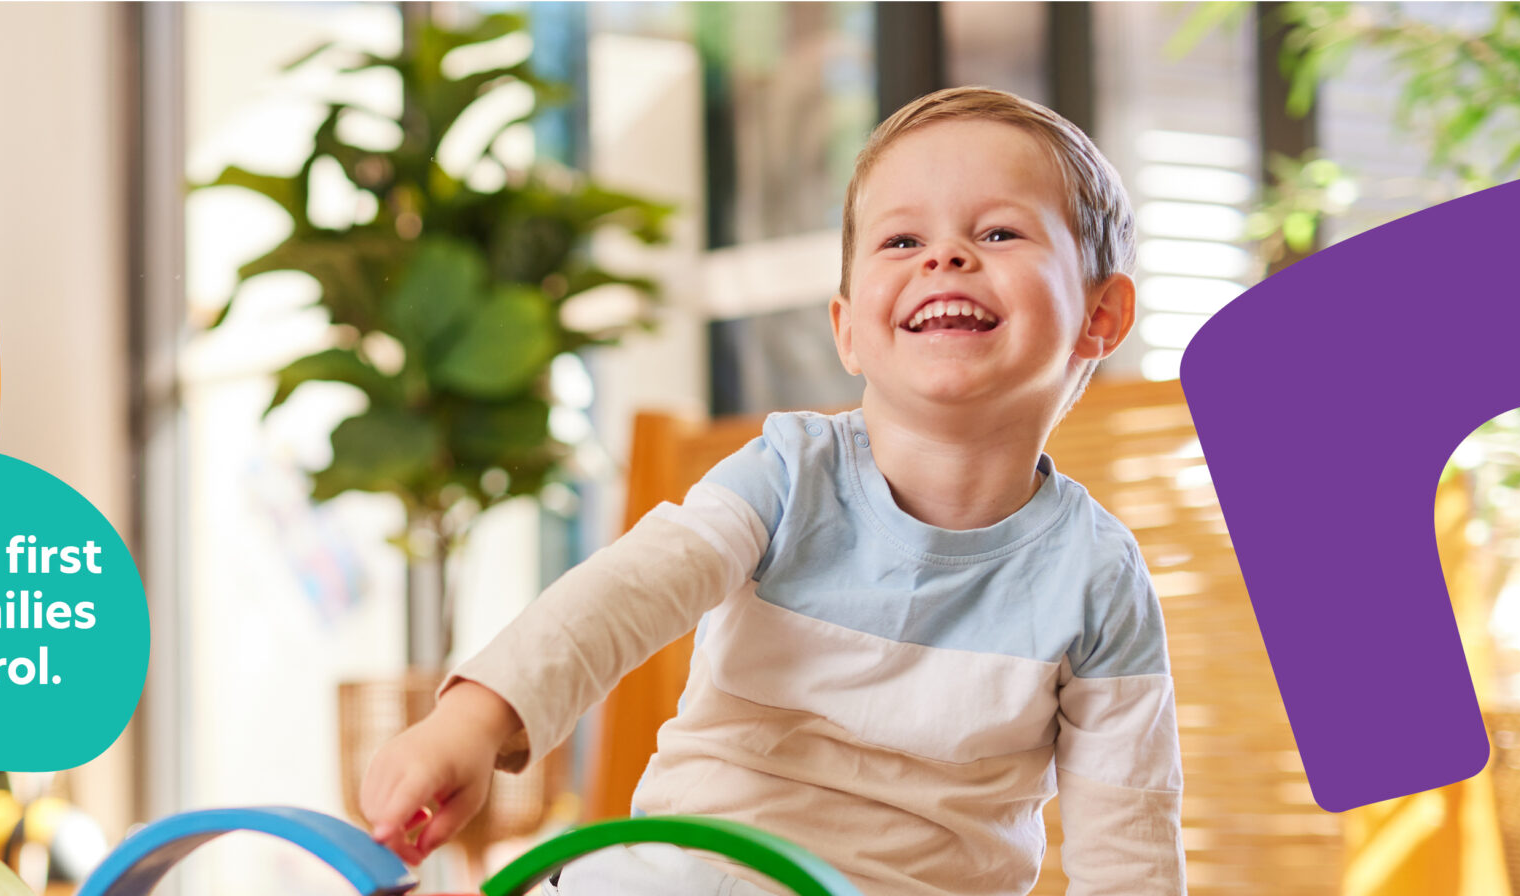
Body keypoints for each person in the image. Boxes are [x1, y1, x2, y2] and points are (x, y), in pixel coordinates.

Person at [358, 87, 1183, 896]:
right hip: (688, 878)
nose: (945, 257)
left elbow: (1129, 847)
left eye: (999, 231)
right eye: (901, 242)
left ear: (1100, 316)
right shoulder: (789, 476)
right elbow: (624, 593)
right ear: (848, 328)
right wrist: (474, 719)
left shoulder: (1098, 580)